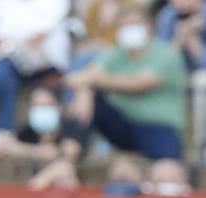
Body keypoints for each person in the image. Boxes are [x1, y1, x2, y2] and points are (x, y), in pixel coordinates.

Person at [64, 4, 188, 161]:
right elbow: (74, 78)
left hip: (158, 126)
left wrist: (94, 80)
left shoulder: (166, 53)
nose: (130, 30)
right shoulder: (116, 53)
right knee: (86, 96)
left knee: (167, 165)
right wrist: (85, 90)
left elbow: (143, 82)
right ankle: (68, 155)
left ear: (150, 26)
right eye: (124, 26)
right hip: (123, 125)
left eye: (135, 24)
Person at [0, 0, 71, 132]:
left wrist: (11, 46)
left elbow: (39, 37)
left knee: (2, 68)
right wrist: (12, 47)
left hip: (47, 60)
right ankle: (4, 130)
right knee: (5, 74)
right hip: (11, 60)